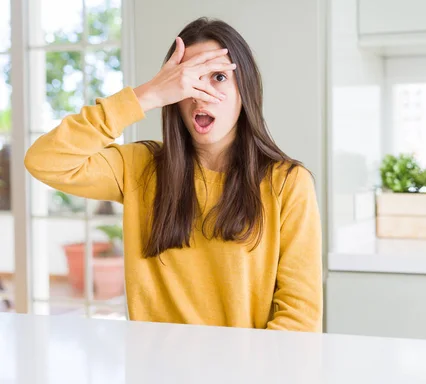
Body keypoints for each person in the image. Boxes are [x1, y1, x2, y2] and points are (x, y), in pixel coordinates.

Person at [25, 17, 323, 332]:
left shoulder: (287, 183)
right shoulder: (139, 167)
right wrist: (146, 96)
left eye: (219, 77)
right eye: (188, 80)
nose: (201, 93)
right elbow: (45, 160)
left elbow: (299, 319)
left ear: (245, 90)